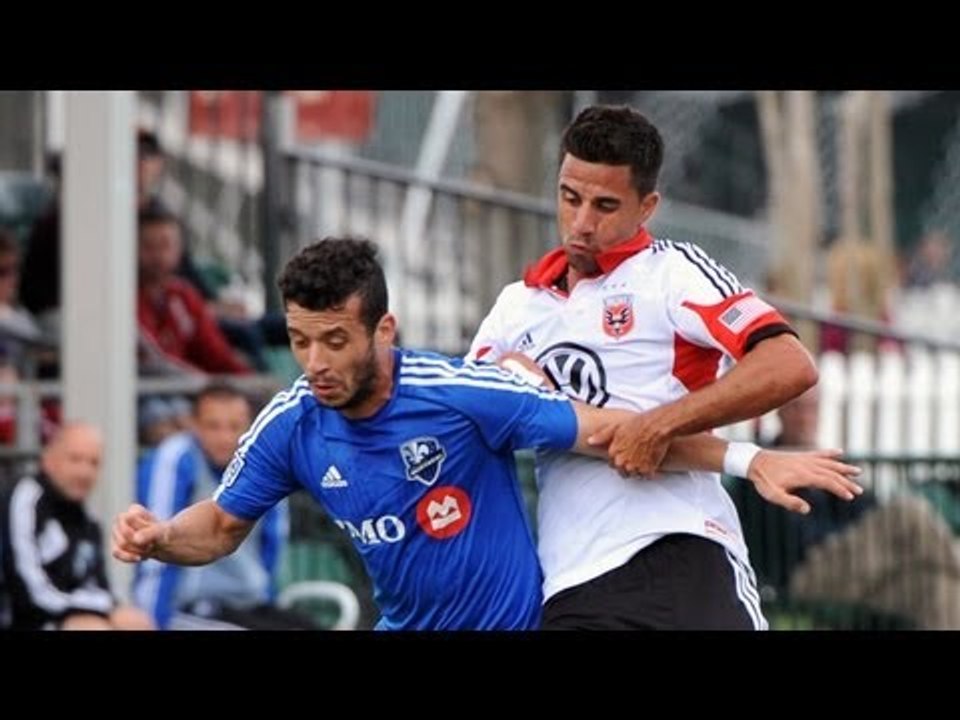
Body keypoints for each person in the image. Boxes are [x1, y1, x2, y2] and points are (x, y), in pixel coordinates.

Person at [113, 237, 860, 630]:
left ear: (384, 330)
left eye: (335, 340)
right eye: (302, 341)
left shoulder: (465, 393)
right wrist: (161, 537)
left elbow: (613, 435)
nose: (315, 362)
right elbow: (218, 525)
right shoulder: (291, 424)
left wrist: (750, 456)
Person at [467, 104, 829, 630]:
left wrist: (659, 424)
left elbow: (788, 364)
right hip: (574, 581)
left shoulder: (672, 272)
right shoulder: (512, 308)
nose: (582, 223)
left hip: (683, 549)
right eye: (570, 199)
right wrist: (745, 460)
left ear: (647, 207)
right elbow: (477, 421)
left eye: (606, 205)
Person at [133, 382, 308, 629]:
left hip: (249, 603)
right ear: (194, 425)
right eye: (213, 426)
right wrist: (151, 623)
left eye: (234, 427)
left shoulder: (265, 458)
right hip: (192, 606)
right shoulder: (176, 459)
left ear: (250, 427)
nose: (224, 437)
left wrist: (267, 601)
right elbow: (156, 552)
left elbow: (272, 546)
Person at [0, 422, 154, 630]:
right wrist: (101, 608)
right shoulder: (26, 498)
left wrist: (112, 608)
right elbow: (25, 586)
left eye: (93, 463)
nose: (84, 471)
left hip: (70, 614)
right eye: (75, 459)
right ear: (48, 459)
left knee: (136, 622)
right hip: (26, 619)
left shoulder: (89, 520)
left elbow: (100, 585)